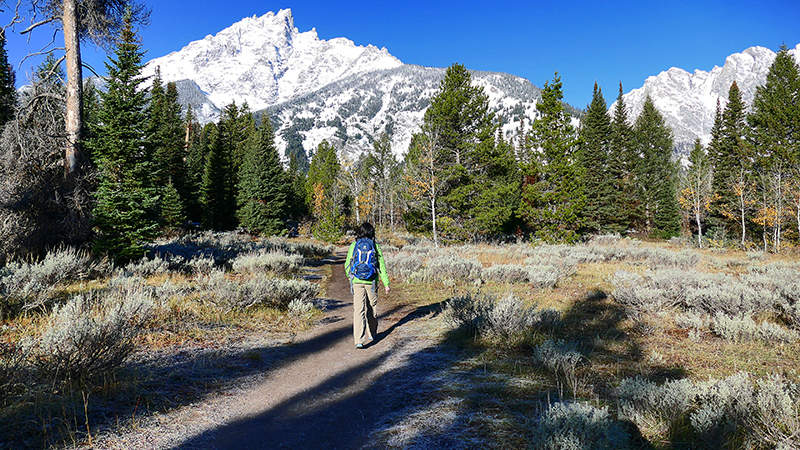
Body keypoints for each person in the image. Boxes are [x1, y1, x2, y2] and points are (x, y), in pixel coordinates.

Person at [345, 222, 390, 348]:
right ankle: (372, 333)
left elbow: (347, 265)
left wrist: (351, 278)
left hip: (357, 282)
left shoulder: (354, 245)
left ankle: (358, 340)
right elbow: (382, 267)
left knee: (358, 310)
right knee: (372, 307)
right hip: (372, 282)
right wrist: (386, 284)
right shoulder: (375, 246)